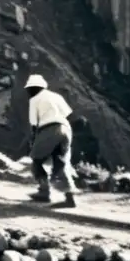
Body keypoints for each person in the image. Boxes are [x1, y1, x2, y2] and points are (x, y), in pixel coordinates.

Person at [24, 74, 78, 207]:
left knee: (37, 161)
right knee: (61, 162)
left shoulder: (35, 99)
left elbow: (34, 123)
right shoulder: (56, 96)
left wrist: (34, 140)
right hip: (65, 128)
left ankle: (44, 192)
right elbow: (68, 114)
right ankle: (69, 197)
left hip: (48, 129)